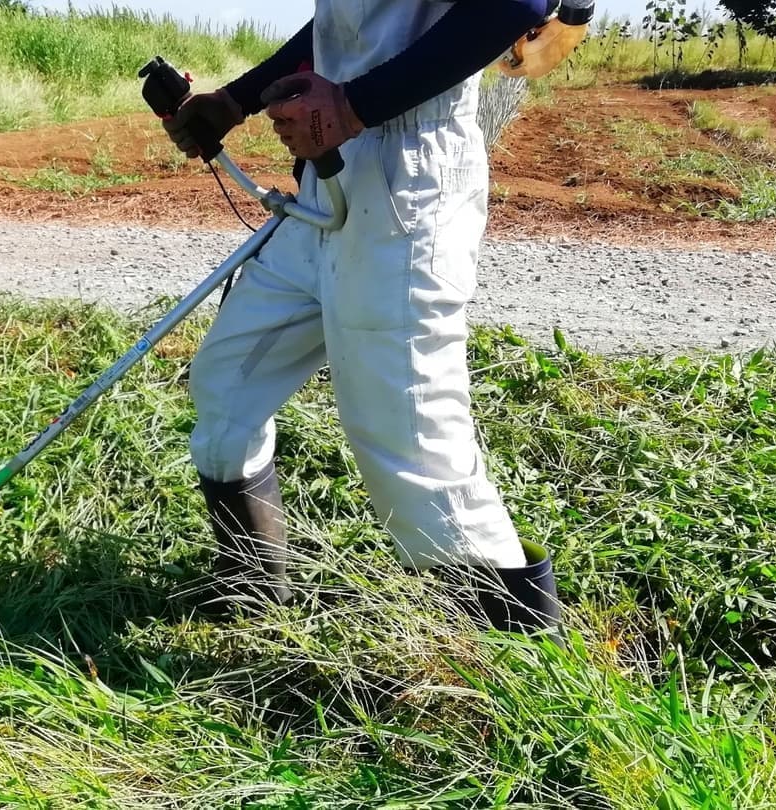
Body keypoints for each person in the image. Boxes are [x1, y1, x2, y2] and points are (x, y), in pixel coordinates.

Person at [164, 0, 565, 635]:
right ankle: (253, 590)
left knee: (411, 441)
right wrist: (238, 99)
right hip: (327, 184)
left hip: (409, 176)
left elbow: (515, 4)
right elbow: (343, 23)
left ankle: (518, 662)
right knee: (227, 384)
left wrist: (351, 107)